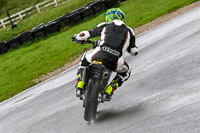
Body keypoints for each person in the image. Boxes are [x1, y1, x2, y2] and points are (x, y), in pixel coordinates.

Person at [72, 8, 138, 101]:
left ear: (109, 17)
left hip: (98, 55)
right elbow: (133, 51)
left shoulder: (105, 25)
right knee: (127, 70)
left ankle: (79, 84)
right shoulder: (130, 31)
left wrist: (77, 37)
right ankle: (109, 91)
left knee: (85, 56)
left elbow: (86, 34)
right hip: (115, 62)